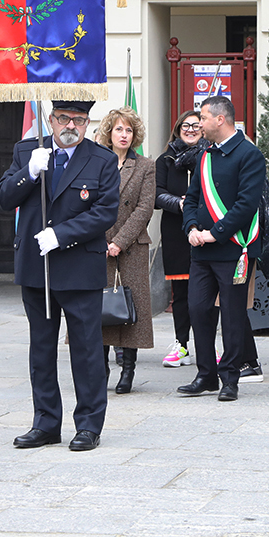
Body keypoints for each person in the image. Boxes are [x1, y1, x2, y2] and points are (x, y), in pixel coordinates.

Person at [0, 99, 119, 452]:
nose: (71, 125)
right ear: (50, 119)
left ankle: (88, 425)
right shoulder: (28, 151)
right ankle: (46, 422)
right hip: (38, 267)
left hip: (79, 266)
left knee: (86, 350)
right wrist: (30, 173)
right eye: (64, 118)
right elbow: (5, 198)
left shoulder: (102, 159)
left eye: (79, 120)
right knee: (41, 348)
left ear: (87, 123)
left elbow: (104, 212)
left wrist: (62, 234)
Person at [179, 95, 266, 402]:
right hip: (201, 250)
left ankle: (229, 377)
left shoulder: (249, 154)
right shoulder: (204, 155)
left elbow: (246, 205)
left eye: (202, 118)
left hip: (233, 251)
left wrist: (214, 234)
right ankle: (206, 375)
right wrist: (190, 227)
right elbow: (191, 198)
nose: (198, 123)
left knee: (231, 315)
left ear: (220, 119)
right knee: (198, 310)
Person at [96, 107, 156, 394]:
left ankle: (128, 369)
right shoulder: (95, 162)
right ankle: (101, 370)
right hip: (98, 246)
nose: (124, 134)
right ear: (109, 131)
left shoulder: (145, 166)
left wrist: (120, 241)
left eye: (129, 130)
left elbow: (144, 209)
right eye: (119, 129)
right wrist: (100, 240)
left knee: (131, 310)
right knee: (100, 309)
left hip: (131, 249)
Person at [155, 110, 203, 368]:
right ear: (177, 128)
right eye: (186, 125)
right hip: (176, 233)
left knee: (208, 293)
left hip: (206, 232)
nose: (191, 129)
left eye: (197, 125)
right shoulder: (165, 159)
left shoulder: (211, 156)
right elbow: (156, 195)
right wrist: (179, 204)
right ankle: (181, 344)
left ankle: (209, 345)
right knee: (181, 294)